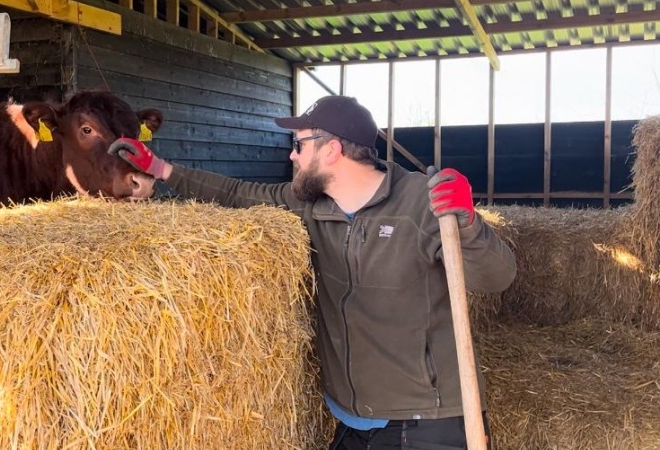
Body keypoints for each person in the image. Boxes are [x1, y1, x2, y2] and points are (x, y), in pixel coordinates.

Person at [109, 95, 516, 449]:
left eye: (300, 145)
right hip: (355, 421)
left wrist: (466, 223)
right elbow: (236, 194)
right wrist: (162, 169)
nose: (292, 155)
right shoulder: (310, 203)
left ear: (332, 151)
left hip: (426, 420)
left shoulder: (420, 204)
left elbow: (496, 277)